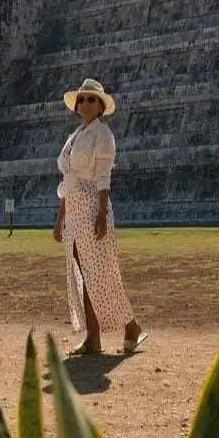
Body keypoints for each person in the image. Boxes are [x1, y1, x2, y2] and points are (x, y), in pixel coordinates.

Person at [53, 78, 148, 356]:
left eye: (91, 99)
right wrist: (60, 219)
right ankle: (95, 337)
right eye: (82, 99)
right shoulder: (74, 136)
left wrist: (102, 214)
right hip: (74, 209)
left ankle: (130, 327)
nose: (85, 104)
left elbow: (103, 177)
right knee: (85, 273)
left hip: (93, 207)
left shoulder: (102, 135)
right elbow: (67, 181)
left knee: (100, 273)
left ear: (101, 106)